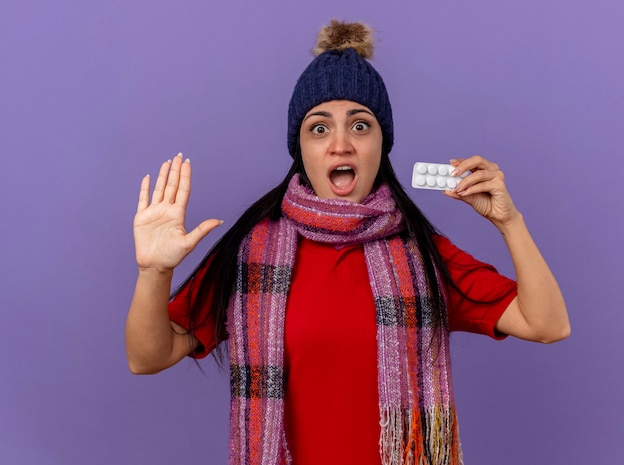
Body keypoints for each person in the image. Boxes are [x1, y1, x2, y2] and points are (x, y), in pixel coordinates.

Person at [125, 19, 569, 465]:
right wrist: (154, 272)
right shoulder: (249, 255)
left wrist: (510, 223)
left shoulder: (424, 258)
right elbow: (148, 357)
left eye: (360, 126)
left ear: (381, 144)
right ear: (300, 149)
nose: (340, 145)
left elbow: (547, 324)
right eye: (319, 129)